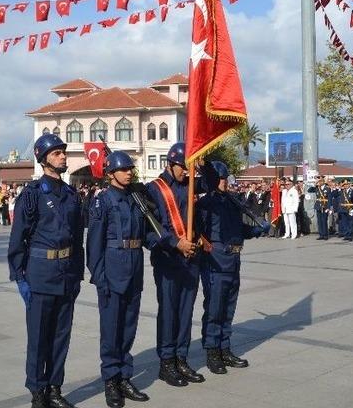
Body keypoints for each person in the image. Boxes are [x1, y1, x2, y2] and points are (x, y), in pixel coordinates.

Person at [8, 133, 84, 408]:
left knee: (61, 336)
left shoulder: (71, 195)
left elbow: (77, 239)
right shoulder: (31, 196)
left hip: (66, 274)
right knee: (39, 338)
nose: (63, 156)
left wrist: (77, 275)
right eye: (56, 153)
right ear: (43, 160)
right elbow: (18, 240)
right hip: (40, 276)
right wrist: (20, 277)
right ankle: (37, 391)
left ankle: (54, 387)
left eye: (63, 152)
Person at [144, 142, 217, 388]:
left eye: (189, 166)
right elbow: (150, 230)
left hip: (191, 258)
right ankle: (167, 362)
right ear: (170, 164)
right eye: (183, 166)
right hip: (168, 258)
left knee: (186, 311)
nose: (186, 171)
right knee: (169, 311)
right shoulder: (154, 189)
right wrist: (176, 243)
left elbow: (213, 183)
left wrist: (202, 162)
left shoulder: (192, 184)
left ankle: (181, 358)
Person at [86, 151, 150, 408]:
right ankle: (111, 380)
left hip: (134, 269)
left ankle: (125, 376)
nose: (129, 173)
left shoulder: (135, 198)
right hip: (112, 271)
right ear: (111, 173)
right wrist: (100, 277)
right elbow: (94, 244)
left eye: (130, 169)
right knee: (111, 330)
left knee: (128, 328)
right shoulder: (103, 201)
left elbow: (146, 235)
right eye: (124, 169)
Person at [197, 161, 265, 376]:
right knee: (215, 309)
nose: (226, 181)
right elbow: (198, 232)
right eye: (222, 177)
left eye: (227, 177)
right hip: (215, 260)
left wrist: (256, 230)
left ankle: (225, 348)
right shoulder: (206, 204)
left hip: (233, 258)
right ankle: (212, 352)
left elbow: (238, 229)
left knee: (228, 308)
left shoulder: (231, 201)